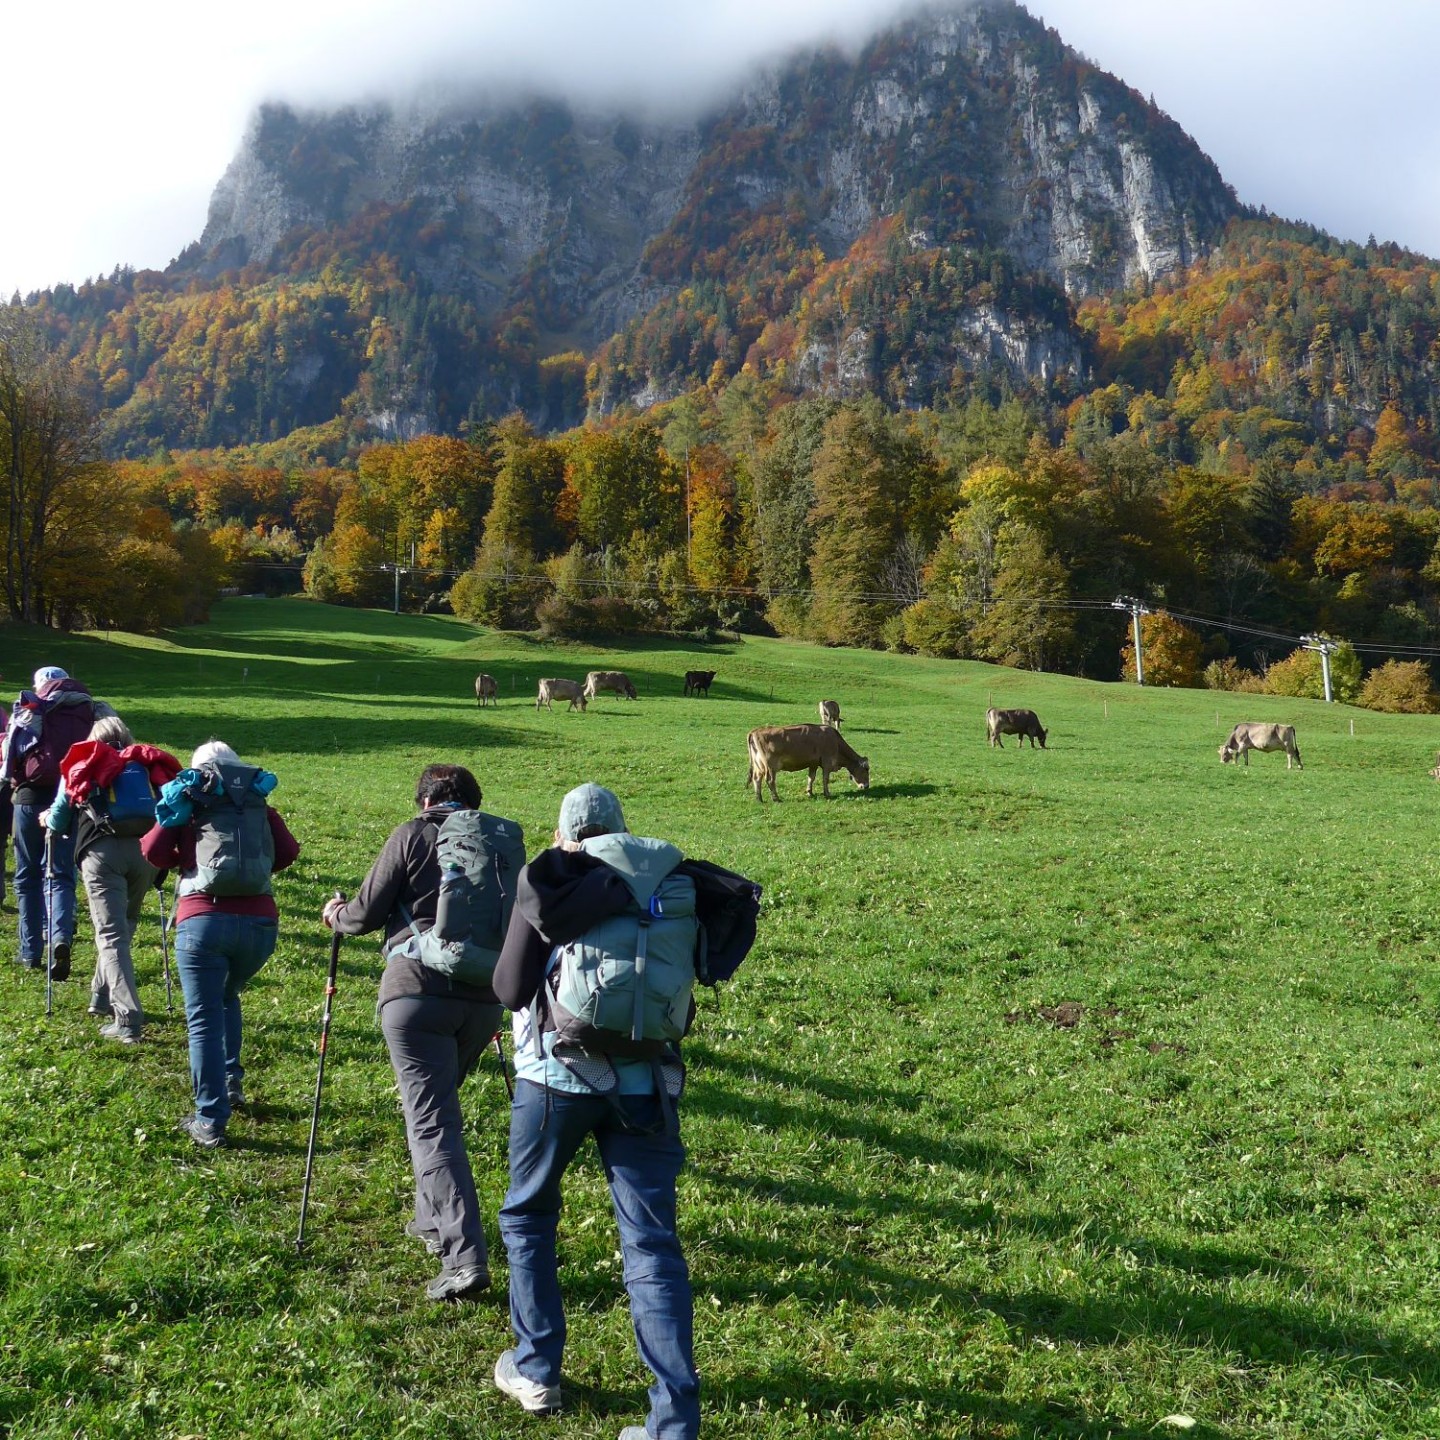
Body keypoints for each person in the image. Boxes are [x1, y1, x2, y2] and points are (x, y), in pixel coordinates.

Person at [490, 783, 702, 1440]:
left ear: (563, 836)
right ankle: (672, 1424)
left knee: (529, 1216)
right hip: (647, 1085)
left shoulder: (552, 882)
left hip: (554, 1077)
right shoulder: (664, 881)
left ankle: (537, 1369)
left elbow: (509, 988)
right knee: (651, 1245)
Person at [321, 763, 523, 1302]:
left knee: (432, 1122)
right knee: (434, 1113)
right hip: (483, 1000)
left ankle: (463, 1258)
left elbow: (365, 914)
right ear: (474, 803)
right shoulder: (500, 846)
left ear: (426, 800)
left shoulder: (413, 835)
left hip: (415, 994)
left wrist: (335, 914)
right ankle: (430, 1218)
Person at [142, 741, 299, 1148]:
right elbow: (288, 852)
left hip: (203, 921)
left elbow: (153, 851)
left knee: (204, 1019)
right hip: (261, 924)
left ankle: (210, 1120)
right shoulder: (257, 804)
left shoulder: (192, 801)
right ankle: (231, 1081)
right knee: (228, 995)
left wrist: (184, 856)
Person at [45, 715, 181, 1042]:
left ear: (94, 738)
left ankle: (128, 1019)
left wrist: (46, 819)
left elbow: (60, 817)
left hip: (102, 854)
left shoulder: (86, 761)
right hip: (145, 853)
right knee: (125, 923)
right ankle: (100, 995)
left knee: (110, 935)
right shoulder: (146, 765)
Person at [1, 667, 95, 975]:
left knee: (27, 875)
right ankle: (60, 938)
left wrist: (9, 778)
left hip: (29, 799)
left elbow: (11, 749)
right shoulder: (87, 709)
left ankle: (30, 952)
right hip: (69, 797)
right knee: (61, 874)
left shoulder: (32, 706)